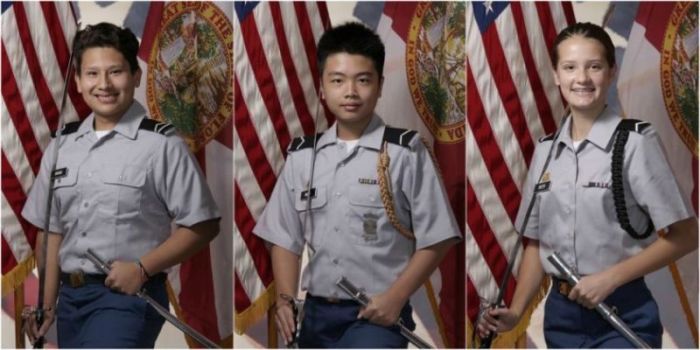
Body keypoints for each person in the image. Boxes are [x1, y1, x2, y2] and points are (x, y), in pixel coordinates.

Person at [476, 22, 698, 348]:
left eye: (594, 66)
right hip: (561, 315)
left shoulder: (636, 142)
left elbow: (687, 235)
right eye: (570, 67)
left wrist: (610, 278)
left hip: (622, 310)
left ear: (611, 72)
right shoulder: (545, 151)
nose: (581, 78)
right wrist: (517, 309)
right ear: (556, 75)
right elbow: (537, 244)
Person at [253, 22, 461, 348]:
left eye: (363, 80)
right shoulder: (302, 156)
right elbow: (283, 236)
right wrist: (284, 299)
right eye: (337, 81)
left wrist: (396, 298)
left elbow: (438, 235)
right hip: (316, 315)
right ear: (322, 88)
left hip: (376, 315)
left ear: (379, 86)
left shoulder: (404, 152)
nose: (350, 91)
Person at [21, 22, 221, 348]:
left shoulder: (160, 144)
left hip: (127, 296)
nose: (104, 84)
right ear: (78, 81)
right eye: (92, 74)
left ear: (135, 76)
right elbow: (51, 231)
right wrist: (45, 303)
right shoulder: (62, 145)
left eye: (115, 72)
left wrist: (142, 269)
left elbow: (204, 224)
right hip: (70, 300)